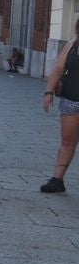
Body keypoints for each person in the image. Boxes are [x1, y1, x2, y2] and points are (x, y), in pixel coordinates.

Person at [42, 16, 79, 193]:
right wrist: (49, 92)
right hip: (71, 100)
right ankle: (57, 180)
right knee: (67, 141)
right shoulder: (72, 46)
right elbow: (58, 69)